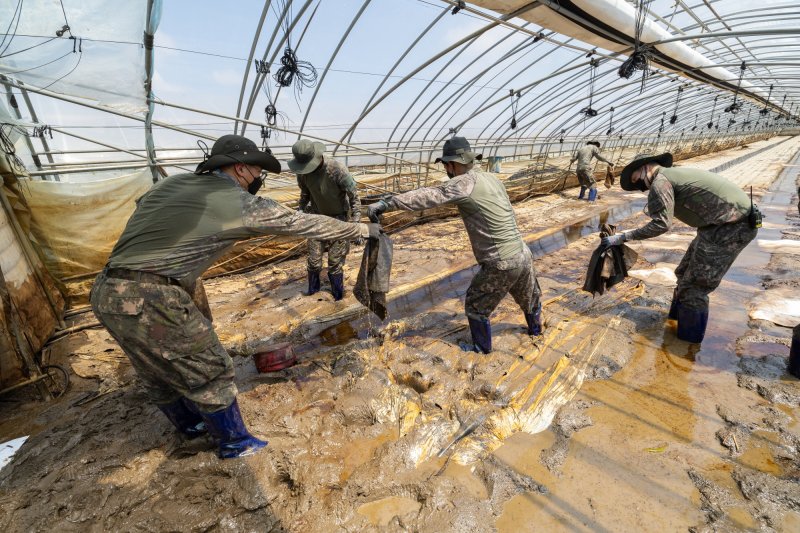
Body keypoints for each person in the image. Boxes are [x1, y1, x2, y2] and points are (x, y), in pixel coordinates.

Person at [90, 135, 380, 459]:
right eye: (257, 172)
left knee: (155, 369)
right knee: (212, 368)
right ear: (240, 169)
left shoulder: (171, 185)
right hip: (151, 296)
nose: (259, 179)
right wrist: (359, 230)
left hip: (107, 291)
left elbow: (145, 209)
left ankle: (190, 427)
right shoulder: (238, 203)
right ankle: (235, 443)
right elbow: (300, 223)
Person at [366, 137, 542, 354]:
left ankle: (481, 349)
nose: (446, 170)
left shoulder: (463, 182)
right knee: (530, 297)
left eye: (445, 165)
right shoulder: (492, 178)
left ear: (452, 164)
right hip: (522, 252)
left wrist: (388, 203)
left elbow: (429, 196)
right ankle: (536, 331)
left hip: (501, 260)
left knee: (476, 305)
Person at [602, 152, 758, 343]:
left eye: (637, 181)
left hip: (731, 228)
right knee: (684, 272)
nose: (641, 188)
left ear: (645, 168)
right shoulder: (671, 175)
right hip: (716, 226)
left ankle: (686, 347)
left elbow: (661, 224)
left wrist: (624, 237)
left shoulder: (661, 182)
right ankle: (676, 320)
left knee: (695, 287)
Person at [288, 139, 361, 301]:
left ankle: (338, 297)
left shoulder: (337, 170)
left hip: (339, 220)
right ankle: (313, 295)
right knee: (314, 262)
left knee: (335, 263)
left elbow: (354, 196)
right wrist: (300, 210)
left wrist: (356, 224)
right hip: (316, 218)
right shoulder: (303, 174)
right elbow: (305, 195)